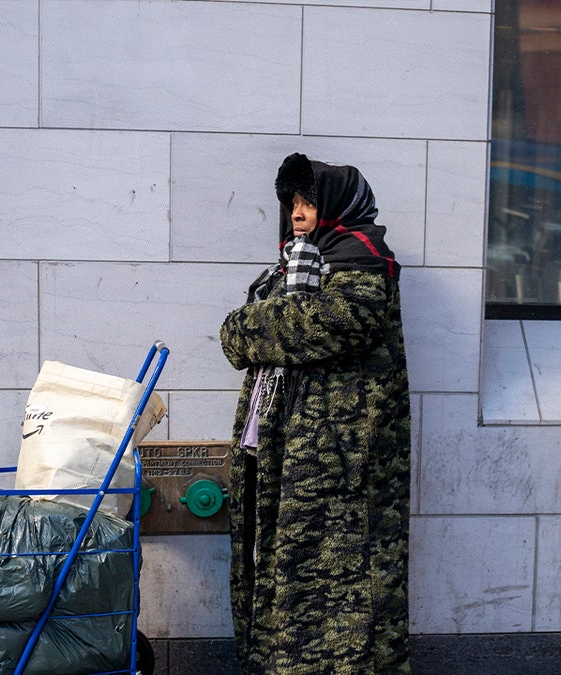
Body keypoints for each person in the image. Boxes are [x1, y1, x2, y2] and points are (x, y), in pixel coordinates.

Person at [219, 153, 412, 674]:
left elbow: (325, 322)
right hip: (290, 451)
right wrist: (255, 325)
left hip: (337, 458)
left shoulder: (363, 258)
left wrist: (250, 326)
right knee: (282, 573)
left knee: (337, 586)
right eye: (292, 202)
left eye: (307, 201)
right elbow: (252, 330)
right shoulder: (295, 262)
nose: (298, 212)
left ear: (334, 203)